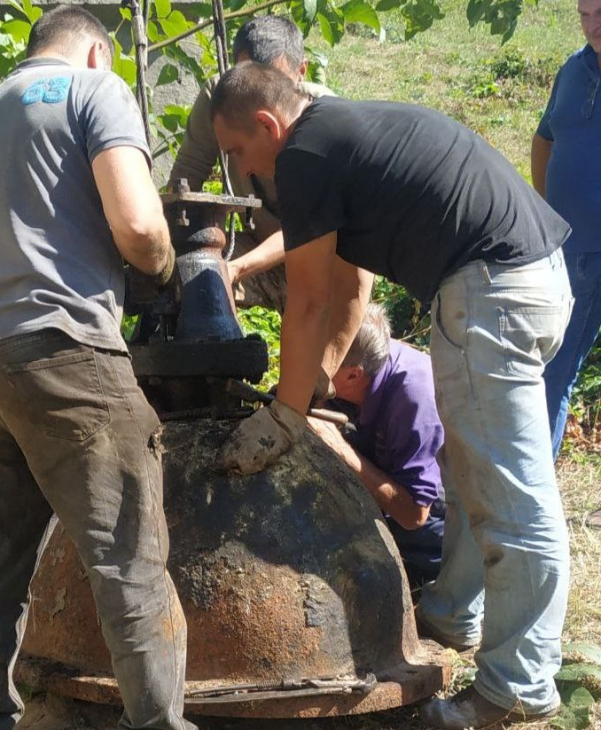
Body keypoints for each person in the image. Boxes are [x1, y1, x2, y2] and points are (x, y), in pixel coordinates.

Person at [210, 63, 573, 729]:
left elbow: (311, 298)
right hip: (508, 279)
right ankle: (454, 611)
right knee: (472, 468)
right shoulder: (337, 134)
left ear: (267, 124)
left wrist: (286, 416)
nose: (239, 167)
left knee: (512, 497)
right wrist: (316, 383)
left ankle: (516, 685)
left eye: (235, 151)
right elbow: (347, 289)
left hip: (491, 289)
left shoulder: (307, 156)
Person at [0, 7, 196, 730]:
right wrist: (161, 268)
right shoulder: (95, 91)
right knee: (129, 564)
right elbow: (141, 225)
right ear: (96, 54)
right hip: (63, 352)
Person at [169, 15, 334, 312]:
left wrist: (237, 268)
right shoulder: (218, 99)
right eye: (249, 81)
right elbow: (187, 176)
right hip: (255, 245)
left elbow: (313, 228)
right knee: (193, 271)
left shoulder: (325, 118)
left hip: (321, 257)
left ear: (301, 72)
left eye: (272, 83)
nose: (260, 102)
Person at [308, 302, 445, 586]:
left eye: (318, 358)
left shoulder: (413, 401)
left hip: (437, 518)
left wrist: (342, 452)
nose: (307, 361)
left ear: (353, 374)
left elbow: (415, 515)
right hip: (389, 461)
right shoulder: (360, 362)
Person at [532, 0, 601, 520]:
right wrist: (545, 216)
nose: (593, 24)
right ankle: (538, 494)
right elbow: (544, 139)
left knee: (555, 373)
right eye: (584, 14)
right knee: (554, 370)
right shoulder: (572, 72)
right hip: (568, 250)